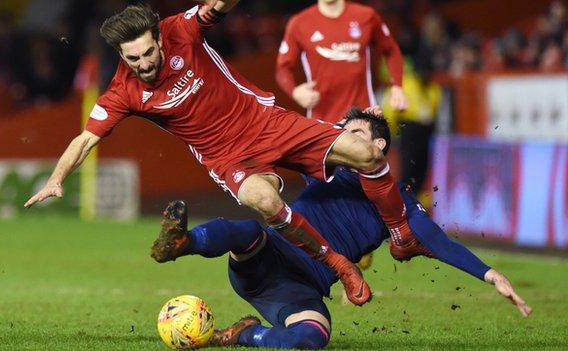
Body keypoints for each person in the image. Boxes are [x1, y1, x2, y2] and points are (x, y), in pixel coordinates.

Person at [23, 1, 427, 306]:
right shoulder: (123, 92)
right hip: (228, 158)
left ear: (159, 39)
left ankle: (401, 234)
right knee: (264, 201)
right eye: (134, 58)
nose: (144, 63)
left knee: (366, 155)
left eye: (149, 52)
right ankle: (338, 264)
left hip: (265, 122)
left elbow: (217, 5)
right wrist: (57, 179)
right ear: (122, 57)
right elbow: (84, 140)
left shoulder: (180, 29)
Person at [150, 107, 532, 349]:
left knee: (313, 337)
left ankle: (244, 334)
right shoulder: (327, 168)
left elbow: (437, 241)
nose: (342, 141)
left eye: (355, 135)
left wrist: (490, 274)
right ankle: (184, 242)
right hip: (267, 259)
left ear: (379, 144)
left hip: (302, 289)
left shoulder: (399, 205)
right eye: (341, 134)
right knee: (250, 230)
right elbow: (284, 137)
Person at [276, 0, 408, 122]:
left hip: (365, 116)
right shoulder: (299, 23)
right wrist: (295, 92)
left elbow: (391, 50)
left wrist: (397, 86)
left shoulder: (366, 15)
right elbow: (282, 69)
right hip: (322, 121)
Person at [382, 57, 442, 195]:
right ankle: (405, 199)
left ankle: (416, 200)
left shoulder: (434, 88)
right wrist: (390, 131)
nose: (425, 75)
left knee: (422, 168)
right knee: (407, 168)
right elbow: (390, 108)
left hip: (426, 131)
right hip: (409, 129)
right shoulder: (405, 84)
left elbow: (434, 111)